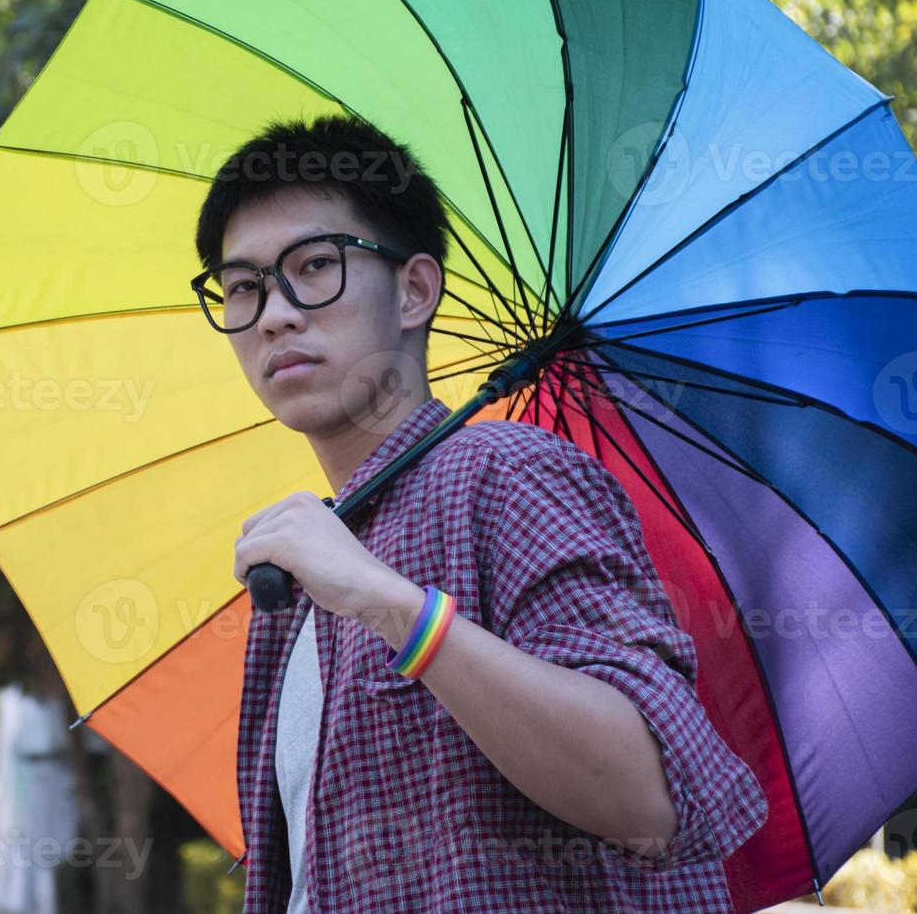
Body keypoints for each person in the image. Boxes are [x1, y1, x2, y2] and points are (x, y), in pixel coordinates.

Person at [188, 113, 768, 912]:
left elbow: (650, 794)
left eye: (313, 266)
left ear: (414, 289)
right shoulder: (299, 572)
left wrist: (389, 604)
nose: (275, 315)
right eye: (244, 287)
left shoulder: (507, 476)